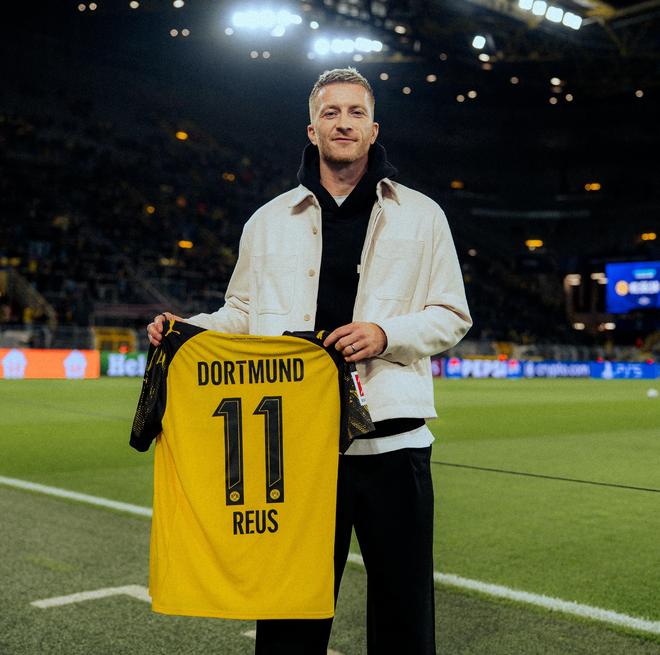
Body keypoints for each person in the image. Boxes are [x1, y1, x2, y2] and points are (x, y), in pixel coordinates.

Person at [146, 67, 472, 655]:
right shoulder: (267, 221)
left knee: (403, 612)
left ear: (374, 129)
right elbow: (242, 312)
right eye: (330, 113)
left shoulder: (423, 215)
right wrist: (184, 332)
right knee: (289, 613)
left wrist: (384, 333)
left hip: (394, 444)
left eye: (355, 112)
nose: (343, 123)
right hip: (297, 448)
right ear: (312, 130)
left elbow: (451, 314)